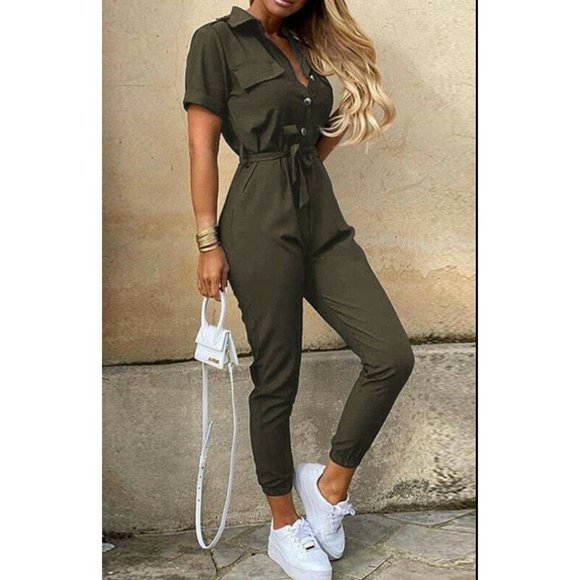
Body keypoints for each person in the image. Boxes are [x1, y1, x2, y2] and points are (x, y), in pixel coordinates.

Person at [183, 1, 415, 578]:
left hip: (320, 217)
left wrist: (337, 123)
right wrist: (208, 242)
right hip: (258, 220)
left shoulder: (306, 47)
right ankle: (284, 524)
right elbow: (201, 147)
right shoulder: (216, 41)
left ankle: (329, 487)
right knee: (277, 378)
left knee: (391, 355)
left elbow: (314, 141)